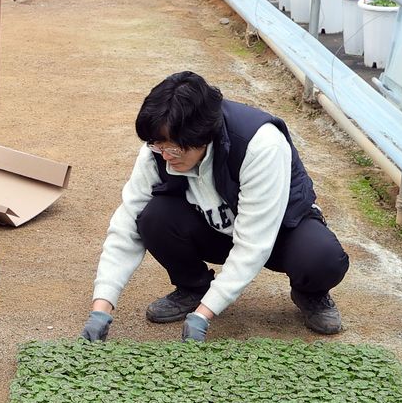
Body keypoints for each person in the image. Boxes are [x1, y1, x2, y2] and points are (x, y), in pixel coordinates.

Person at [82, 71, 349, 342]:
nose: (165, 156)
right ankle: (193, 288)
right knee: (152, 217)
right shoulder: (160, 149)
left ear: (203, 135)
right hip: (214, 227)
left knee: (321, 258)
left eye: (174, 150)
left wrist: (204, 315)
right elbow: (127, 222)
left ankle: (311, 294)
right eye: (158, 146)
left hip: (278, 232)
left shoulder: (260, 144)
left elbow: (254, 243)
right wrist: (101, 306)